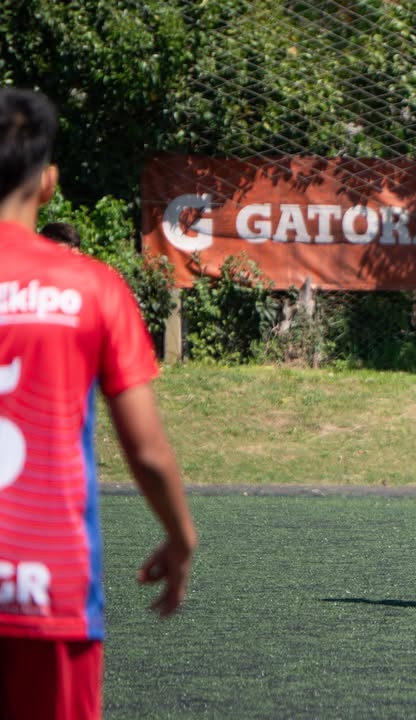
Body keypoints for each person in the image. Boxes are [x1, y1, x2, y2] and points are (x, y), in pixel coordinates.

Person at [0, 88, 197, 719]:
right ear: (48, 183)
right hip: (47, 588)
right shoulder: (90, 285)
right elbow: (147, 450)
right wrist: (180, 537)